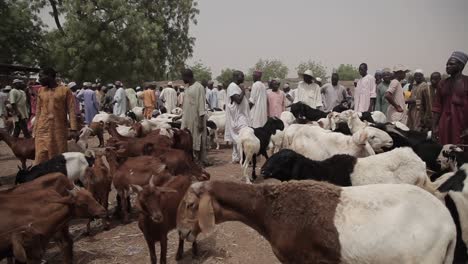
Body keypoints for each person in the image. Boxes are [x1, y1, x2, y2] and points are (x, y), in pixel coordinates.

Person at [34, 67, 77, 165]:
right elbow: (38, 111)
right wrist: (35, 129)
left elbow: (71, 110)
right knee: (40, 156)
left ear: (49, 76)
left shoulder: (65, 90)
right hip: (42, 130)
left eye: (41, 76)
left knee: (58, 156)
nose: (39, 79)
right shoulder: (40, 91)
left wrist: (73, 129)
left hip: (58, 131)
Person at [432, 51, 468, 144]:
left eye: (451, 64)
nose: (447, 66)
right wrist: (434, 127)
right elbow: (437, 107)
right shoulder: (442, 84)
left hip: (462, 126)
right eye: (447, 64)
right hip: (445, 126)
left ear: (460, 66)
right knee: (445, 152)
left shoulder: (466, 82)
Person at [181, 69, 207, 163]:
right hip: (187, 118)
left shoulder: (199, 87)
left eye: (183, 77)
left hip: (196, 119)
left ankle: (199, 160)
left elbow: (201, 105)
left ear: (187, 76)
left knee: (197, 139)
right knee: (187, 138)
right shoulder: (187, 87)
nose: (182, 79)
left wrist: (200, 122)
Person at [225, 70, 251, 163]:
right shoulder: (232, 86)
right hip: (238, 116)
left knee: (237, 136)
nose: (243, 78)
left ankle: (236, 157)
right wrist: (243, 91)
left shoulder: (235, 86)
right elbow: (238, 100)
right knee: (242, 136)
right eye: (242, 76)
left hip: (240, 115)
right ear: (236, 77)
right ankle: (244, 157)